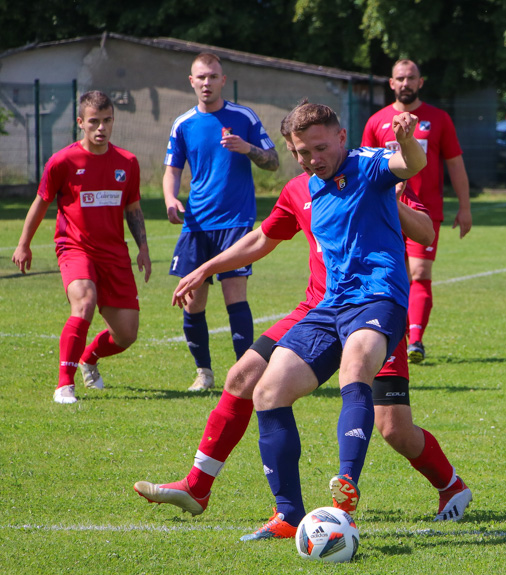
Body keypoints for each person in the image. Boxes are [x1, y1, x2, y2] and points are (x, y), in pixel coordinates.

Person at [133, 109, 471, 538]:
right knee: (255, 383)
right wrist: (204, 269)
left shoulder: (372, 166)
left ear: (342, 136)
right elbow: (261, 237)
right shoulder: (299, 189)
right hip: (323, 307)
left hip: (376, 303)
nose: (311, 158)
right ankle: (264, 507)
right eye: (300, 152)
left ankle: (412, 484)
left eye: (320, 148)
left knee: (393, 426)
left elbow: (422, 217)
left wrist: (397, 167)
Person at [12, 91, 151, 404]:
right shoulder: (62, 161)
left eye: (107, 120)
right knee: (85, 302)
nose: (101, 127)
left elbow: (133, 208)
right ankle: (65, 384)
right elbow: (41, 202)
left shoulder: (127, 162)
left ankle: (89, 358)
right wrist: (24, 243)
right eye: (94, 121)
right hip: (75, 248)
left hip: (115, 254)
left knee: (126, 334)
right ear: (80, 123)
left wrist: (143, 248)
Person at [163, 52, 279, 391]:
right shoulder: (183, 123)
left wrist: (247, 148)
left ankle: (247, 375)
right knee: (193, 299)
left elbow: (273, 161)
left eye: (213, 76)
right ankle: (204, 373)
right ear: (191, 81)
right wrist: (171, 198)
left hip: (236, 222)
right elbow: (172, 170)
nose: (207, 83)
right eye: (201, 77)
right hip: (197, 223)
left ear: (223, 80)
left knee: (235, 296)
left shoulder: (243, 117)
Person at [362, 59, 472, 363]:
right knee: (391, 275)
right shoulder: (376, 122)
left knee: (421, 273)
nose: (406, 83)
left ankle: (416, 342)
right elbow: (365, 168)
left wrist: (464, 207)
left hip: (426, 211)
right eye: (400, 78)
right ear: (391, 83)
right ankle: (395, 337)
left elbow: (455, 163)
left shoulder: (438, 119)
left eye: (411, 78)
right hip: (387, 211)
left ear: (420, 82)